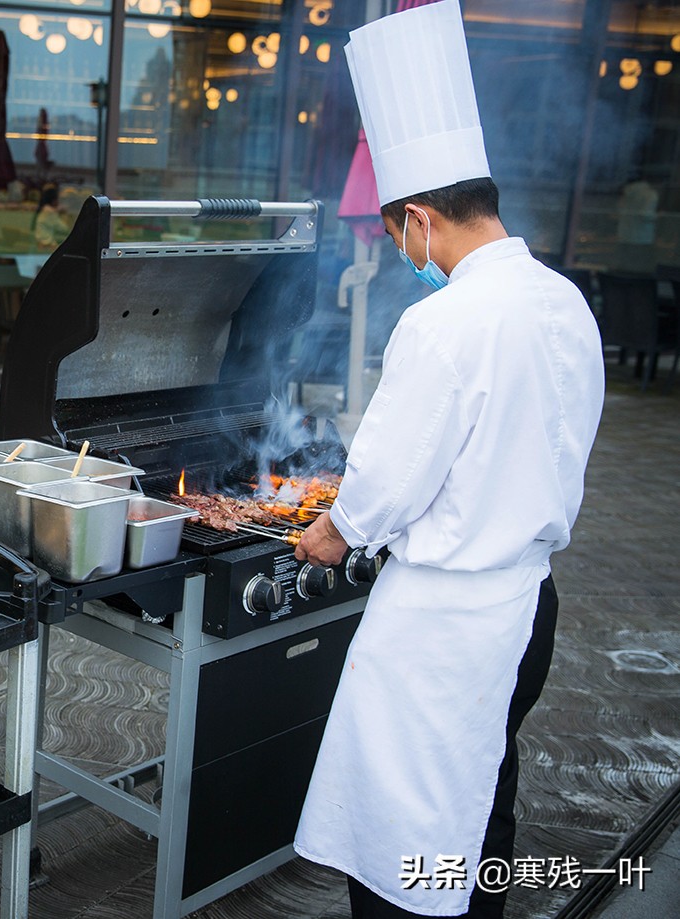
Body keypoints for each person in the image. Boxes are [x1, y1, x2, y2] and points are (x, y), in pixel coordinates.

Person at [292, 4, 605, 918]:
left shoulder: (443, 322)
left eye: (398, 235)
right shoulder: (566, 303)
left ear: (421, 218)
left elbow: (388, 479)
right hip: (527, 603)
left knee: (405, 840)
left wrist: (333, 531)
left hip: (441, 627)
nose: (403, 254)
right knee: (483, 809)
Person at [31, 183, 68, 250]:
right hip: (47, 247)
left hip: (41, 244)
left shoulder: (43, 210)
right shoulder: (49, 212)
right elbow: (64, 229)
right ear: (54, 200)